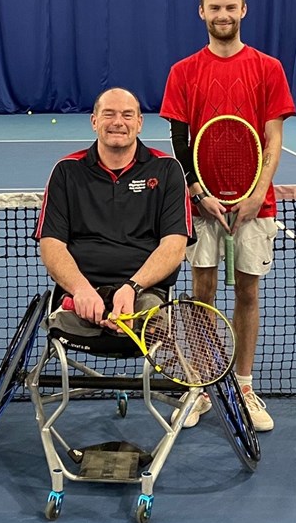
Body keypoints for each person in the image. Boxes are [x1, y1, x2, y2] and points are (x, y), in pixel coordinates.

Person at [159, 0, 295, 431]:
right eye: (214, 8)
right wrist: (197, 192)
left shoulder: (268, 68)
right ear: (202, 13)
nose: (223, 15)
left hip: (256, 204)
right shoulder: (183, 71)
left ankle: (242, 383)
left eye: (230, 7)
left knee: (248, 292)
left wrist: (257, 193)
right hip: (201, 206)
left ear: (244, 10)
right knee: (201, 293)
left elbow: (274, 136)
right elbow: (180, 139)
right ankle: (199, 383)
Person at [36, 87, 191, 343]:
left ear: (140, 123)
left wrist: (132, 288)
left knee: (154, 324)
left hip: (144, 293)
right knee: (60, 324)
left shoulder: (167, 170)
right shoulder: (66, 172)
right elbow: (51, 245)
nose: (118, 122)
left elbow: (174, 247)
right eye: (109, 114)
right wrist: (81, 290)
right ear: (94, 121)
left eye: (127, 115)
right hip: (82, 294)